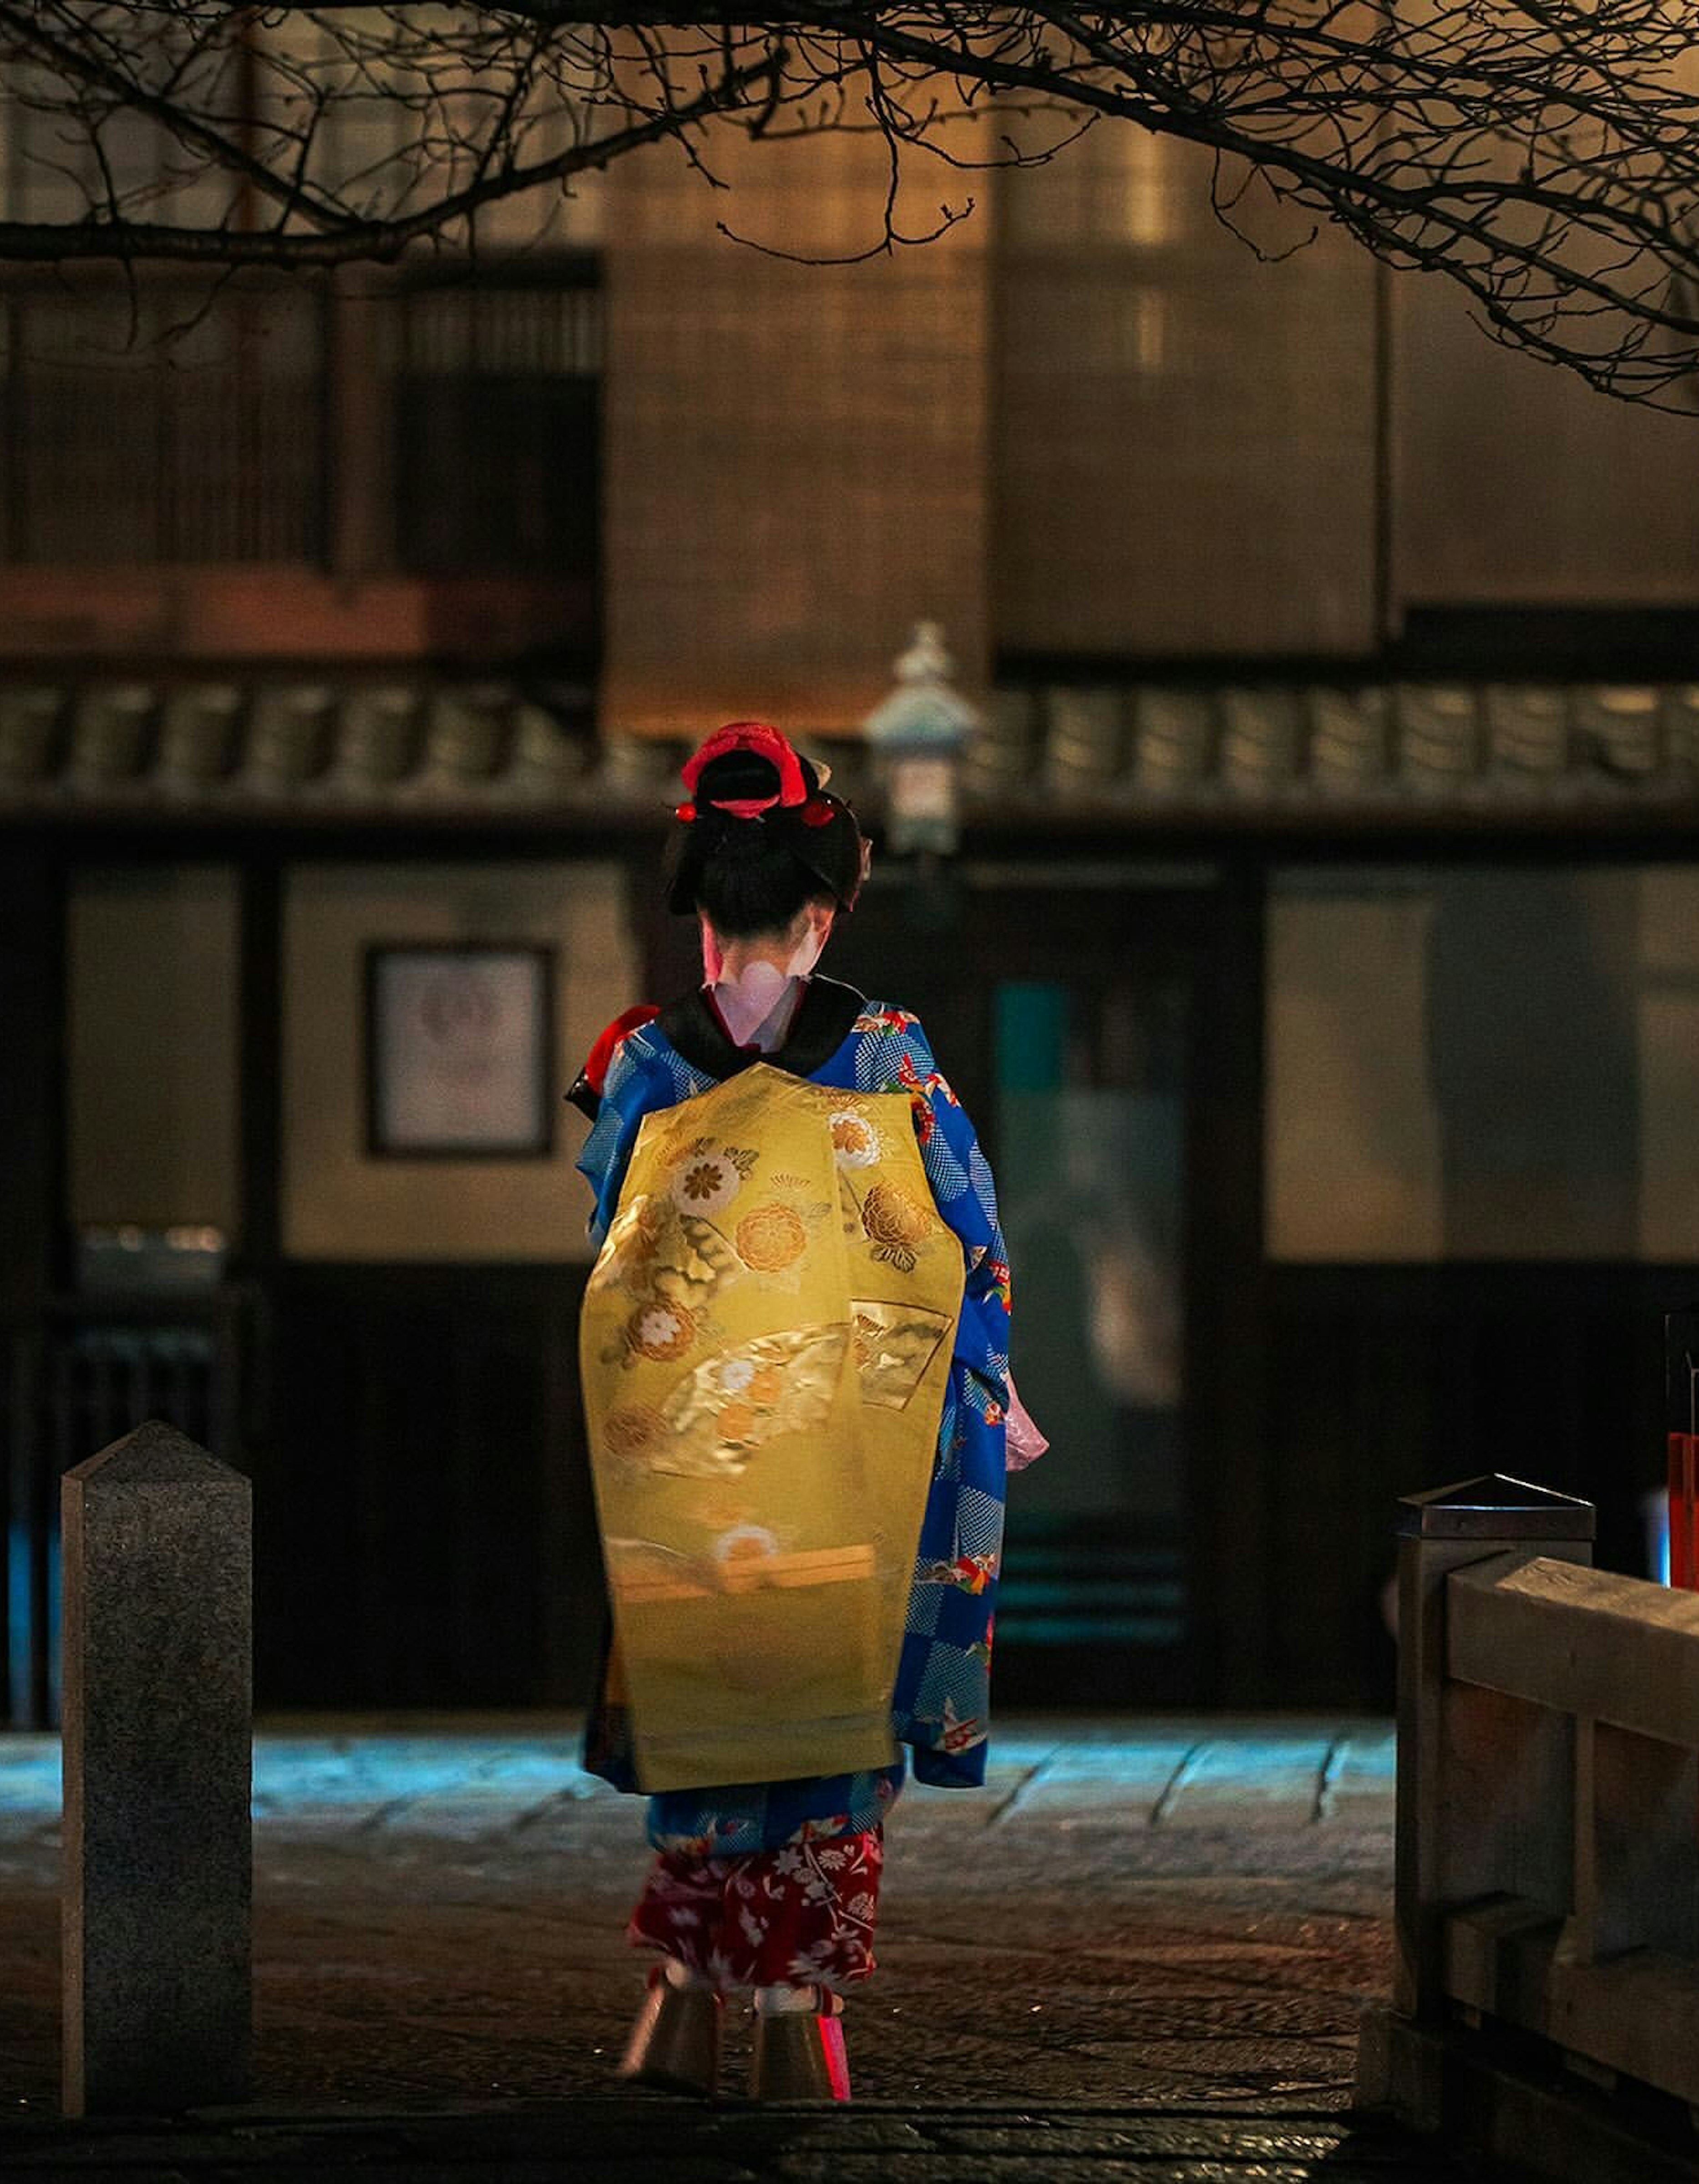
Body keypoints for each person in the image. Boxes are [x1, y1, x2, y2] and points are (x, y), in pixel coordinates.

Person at [573, 720, 1038, 2102]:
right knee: (837, 1721)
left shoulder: (644, 1060)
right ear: (825, 909)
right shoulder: (888, 1057)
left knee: (710, 1708)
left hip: (701, 1449)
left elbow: (615, 1259)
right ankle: (793, 2009)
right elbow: (969, 1246)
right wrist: (994, 1389)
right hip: (866, 1446)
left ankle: (679, 2000)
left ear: (705, 911)